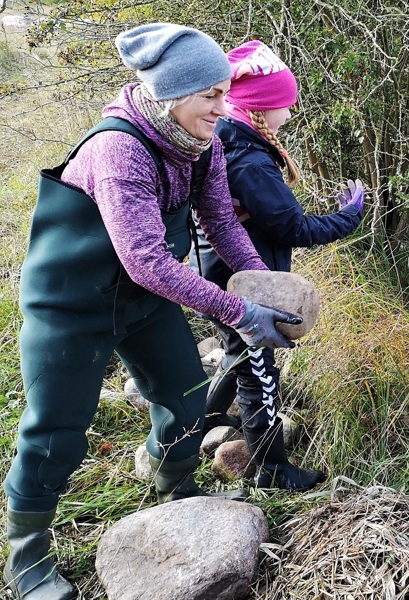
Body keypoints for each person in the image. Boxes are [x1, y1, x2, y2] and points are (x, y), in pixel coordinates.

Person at [2, 24, 302, 600]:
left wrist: (265, 288)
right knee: (54, 433)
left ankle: (178, 489)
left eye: (225, 92)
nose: (224, 106)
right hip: (70, 305)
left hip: (143, 302)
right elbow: (145, 260)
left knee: (186, 394)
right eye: (210, 96)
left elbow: (221, 223)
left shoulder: (202, 143)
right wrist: (240, 312)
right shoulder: (120, 149)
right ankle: (27, 558)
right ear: (170, 94)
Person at [192, 40, 363, 494]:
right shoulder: (249, 161)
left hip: (215, 267)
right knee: (259, 368)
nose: (291, 110)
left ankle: (206, 417)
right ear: (260, 110)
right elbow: (294, 228)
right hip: (239, 279)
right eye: (285, 102)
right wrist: (349, 216)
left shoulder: (229, 137)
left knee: (238, 350)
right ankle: (272, 468)